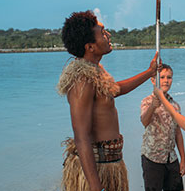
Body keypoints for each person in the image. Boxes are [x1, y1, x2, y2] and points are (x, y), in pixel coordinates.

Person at [56, 10, 160, 191]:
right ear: (90, 47)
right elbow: (81, 137)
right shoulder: (82, 80)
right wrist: (96, 187)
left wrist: (149, 73)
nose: (108, 35)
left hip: (110, 165)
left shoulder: (95, 72)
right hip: (97, 171)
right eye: (102, 33)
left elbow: (115, 90)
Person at [140, 64, 185, 191]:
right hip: (152, 158)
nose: (166, 80)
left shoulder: (175, 105)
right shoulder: (147, 101)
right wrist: (153, 107)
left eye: (169, 77)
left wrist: (183, 159)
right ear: (153, 80)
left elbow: (178, 133)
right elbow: (144, 121)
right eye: (162, 77)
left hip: (171, 158)